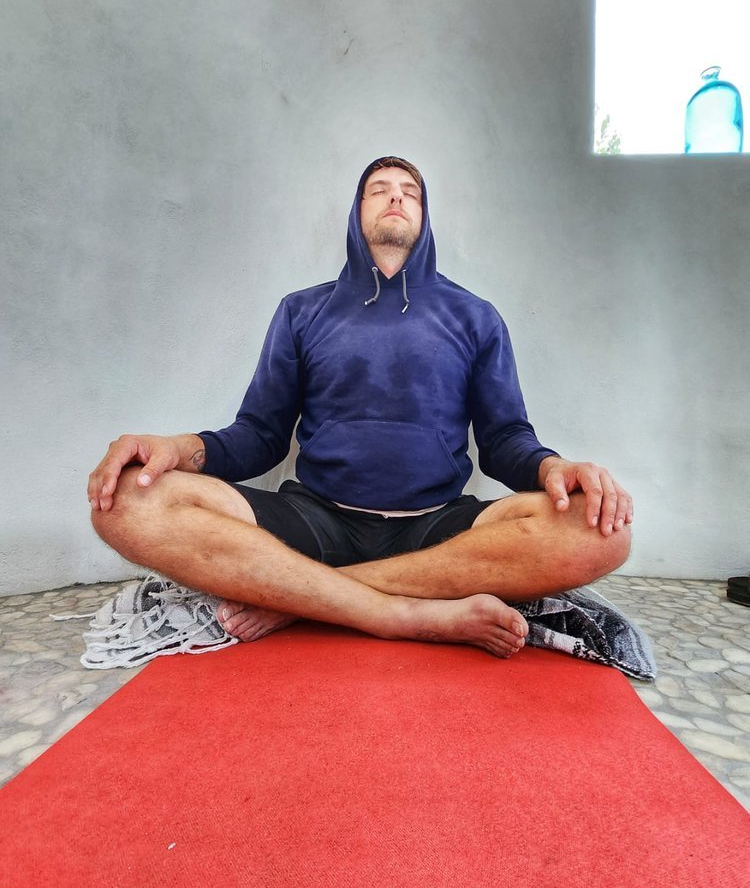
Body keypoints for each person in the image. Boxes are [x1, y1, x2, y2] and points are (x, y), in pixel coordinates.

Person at [89, 156, 633, 659]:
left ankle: (304, 597)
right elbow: (259, 434)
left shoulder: (476, 317)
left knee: (599, 530)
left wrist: (555, 468)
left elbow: (504, 440)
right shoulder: (301, 311)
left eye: (409, 193)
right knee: (127, 502)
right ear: (358, 212)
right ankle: (395, 612)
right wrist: (176, 449)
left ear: (425, 216)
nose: (395, 199)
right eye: (379, 190)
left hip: (437, 528)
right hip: (314, 520)